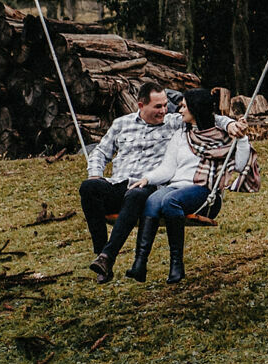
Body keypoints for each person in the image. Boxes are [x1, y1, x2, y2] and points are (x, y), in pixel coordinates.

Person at [93, 89, 244, 284]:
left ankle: (176, 265)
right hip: (176, 188)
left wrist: (241, 135)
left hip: (204, 193)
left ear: (195, 109)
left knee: (169, 200)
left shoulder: (219, 136)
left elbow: (240, 164)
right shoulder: (181, 135)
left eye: (184, 106)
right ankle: (140, 264)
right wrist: (147, 179)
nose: (178, 110)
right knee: (153, 199)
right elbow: (167, 168)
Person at [78, 86, 182, 271]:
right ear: (141, 105)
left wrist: (231, 125)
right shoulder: (122, 124)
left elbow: (206, 118)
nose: (164, 111)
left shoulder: (174, 123)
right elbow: (100, 152)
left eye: (166, 105)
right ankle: (101, 252)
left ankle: (107, 256)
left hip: (149, 188)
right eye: (158, 106)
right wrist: (95, 174)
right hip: (119, 184)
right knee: (88, 187)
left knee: (135, 194)